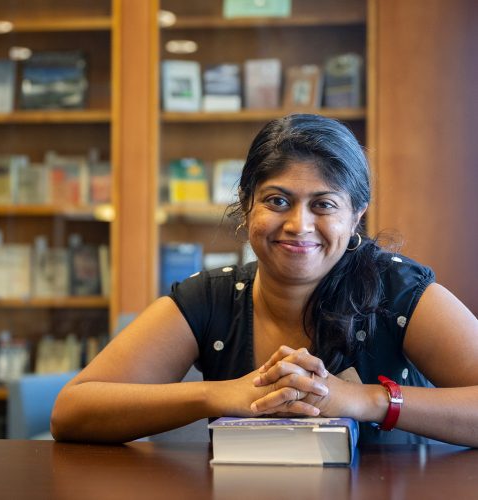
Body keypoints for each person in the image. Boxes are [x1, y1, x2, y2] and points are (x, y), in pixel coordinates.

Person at [51, 114, 478, 446]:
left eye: (324, 205)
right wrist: (220, 395)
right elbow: (72, 411)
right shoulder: (211, 298)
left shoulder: (400, 291)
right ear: (247, 204)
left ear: (356, 216)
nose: (299, 225)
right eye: (278, 201)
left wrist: (364, 400)